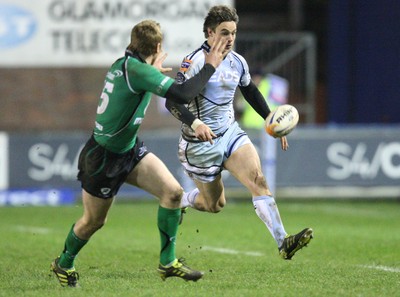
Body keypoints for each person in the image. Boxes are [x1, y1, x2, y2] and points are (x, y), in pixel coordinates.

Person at [50, 19, 228, 287]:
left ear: (133, 43)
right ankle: (63, 263)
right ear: (158, 45)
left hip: (129, 150)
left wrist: (151, 69)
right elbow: (182, 94)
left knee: (173, 192)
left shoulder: (127, 65)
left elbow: (142, 81)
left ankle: (168, 263)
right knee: (94, 221)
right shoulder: (139, 71)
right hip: (103, 159)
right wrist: (211, 64)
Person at [166, 5, 313, 261]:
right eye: (224, 32)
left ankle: (283, 242)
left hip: (230, 134)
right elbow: (173, 102)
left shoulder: (238, 61)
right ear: (210, 33)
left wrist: (271, 119)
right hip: (200, 145)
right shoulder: (194, 61)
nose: (230, 38)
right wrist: (195, 123)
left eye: (233, 32)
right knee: (215, 205)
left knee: (258, 180)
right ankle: (182, 200)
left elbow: (251, 92)